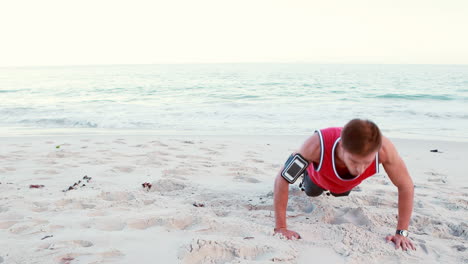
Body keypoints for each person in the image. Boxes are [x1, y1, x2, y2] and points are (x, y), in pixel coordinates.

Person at [273, 119, 416, 251]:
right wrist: (281, 227)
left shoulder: (384, 149)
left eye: (367, 162)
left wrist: (401, 233)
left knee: (341, 192)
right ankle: (304, 168)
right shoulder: (315, 145)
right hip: (317, 177)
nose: (360, 170)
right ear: (341, 146)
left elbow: (406, 185)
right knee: (312, 191)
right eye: (354, 161)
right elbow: (282, 179)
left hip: (344, 185)